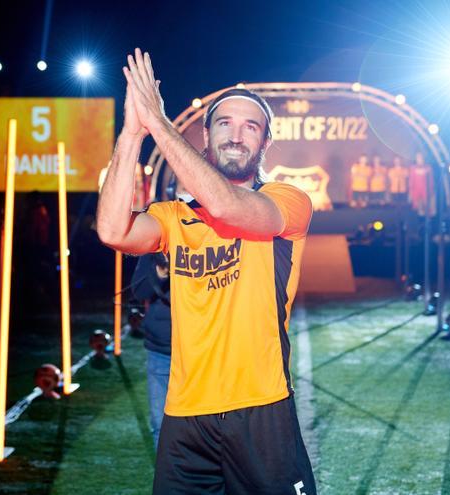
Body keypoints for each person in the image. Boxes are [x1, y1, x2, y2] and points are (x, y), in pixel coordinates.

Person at [97, 48, 316, 494]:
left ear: (265, 142)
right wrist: (132, 131)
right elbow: (111, 230)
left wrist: (159, 122)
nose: (236, 136)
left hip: (261, 409)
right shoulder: (173, 216)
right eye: (224, 123)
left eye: (250, 126)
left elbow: (227, 206)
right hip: (186, 416)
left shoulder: (286, 201)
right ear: (205, 135)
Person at [131, 251, 172, 449]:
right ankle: (166, 480)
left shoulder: (212, 238)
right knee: (160, 425)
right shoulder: (157, 239)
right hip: (161, 351)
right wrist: (162, 271)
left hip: (203, 352)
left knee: (205, 423)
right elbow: (139, 291)